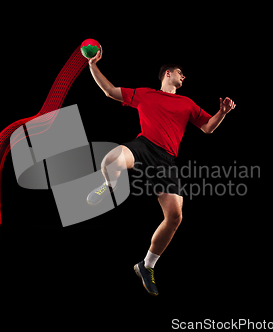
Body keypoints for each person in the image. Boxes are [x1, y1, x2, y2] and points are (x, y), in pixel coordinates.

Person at [86, 48, 235, 296]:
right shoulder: (144, 94)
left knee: (175, 217)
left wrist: (222, 113)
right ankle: (109, 185)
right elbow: (110, 91)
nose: (183, 77)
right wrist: (92, 65)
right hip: (144, 147)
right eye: (180, 73)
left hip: (166, 161)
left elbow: (208, 128)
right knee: (110, 160)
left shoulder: (187, 103)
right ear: (168, 74)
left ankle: (146, 265)